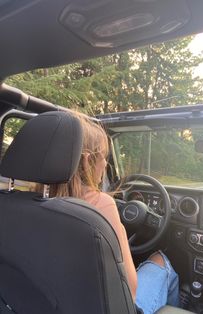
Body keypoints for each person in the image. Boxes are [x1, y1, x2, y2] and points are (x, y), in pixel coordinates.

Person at [48, 112, 179, 313]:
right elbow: (131, 289)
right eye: (104, 158)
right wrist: (121, 233)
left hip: (59, 301)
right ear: (86, 161)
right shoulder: (101, 204)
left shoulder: (35, 200)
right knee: (161, 260)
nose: (105, 165)